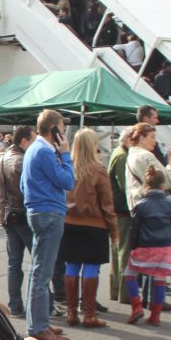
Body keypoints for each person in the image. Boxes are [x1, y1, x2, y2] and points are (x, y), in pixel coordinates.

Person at [22, 110, 74, 340]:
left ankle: (39, 322)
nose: (64, 133)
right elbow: (67, 181)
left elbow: (24, 185)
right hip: (49, 212)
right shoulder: (45, 151)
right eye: (62, 129)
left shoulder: (34, 149)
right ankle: (38, 327)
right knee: (42, 272)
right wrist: (66, 155)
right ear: (54, 129)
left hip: (37, 210)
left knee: (38, 270)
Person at [60, 128, 116, 328]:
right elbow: (107, 205)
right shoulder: (98, 169)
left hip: (69, 223)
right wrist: (114, 232)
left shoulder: (67, 167)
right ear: (93, 145)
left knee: (71, 266)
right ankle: (89, 314)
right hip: (95, 225)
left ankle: (71, 312)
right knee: (91, 268)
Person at [123, 167, 171, 327]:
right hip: (165, 246)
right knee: (160, 279)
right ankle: (155, 315)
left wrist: (133, 246)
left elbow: (134, 229)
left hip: (144, 245)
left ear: (146, 185)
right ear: (163, 185)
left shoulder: (141, 205)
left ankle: (136, 307)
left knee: (129, 274)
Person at [0, 125, 36, 318]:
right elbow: (25, 192)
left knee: (14, 263)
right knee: (38, 260)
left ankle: (15, 305)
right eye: (33, 140)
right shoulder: (20, 161)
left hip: (8, 214)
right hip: (20, 214)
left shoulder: (5, 158)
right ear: (25, 141)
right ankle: (41, 304)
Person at [107, 127, 137, 304]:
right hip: (122, 211)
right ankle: (123, 293)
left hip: (118, 209)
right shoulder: (122, 156)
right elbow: (125, 186)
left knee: (118, 251)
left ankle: (118, 290)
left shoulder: (119, 153)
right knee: (123, 252)